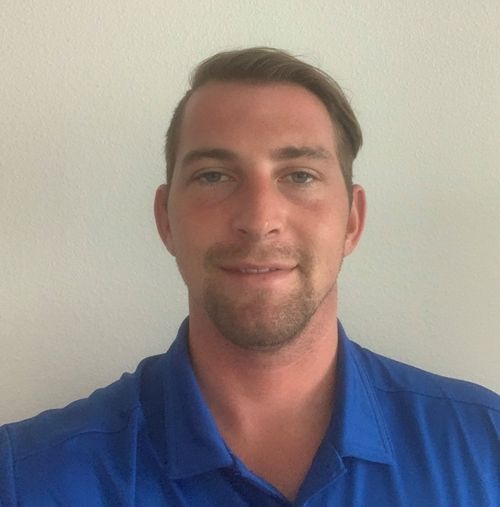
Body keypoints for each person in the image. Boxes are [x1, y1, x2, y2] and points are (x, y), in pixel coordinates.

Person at [0, 48, 498, 506]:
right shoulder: (26, 479)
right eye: (214, 176)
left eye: (299, 175)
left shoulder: (486, 448)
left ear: (352, 220)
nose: (259, 220)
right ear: (166, 220)